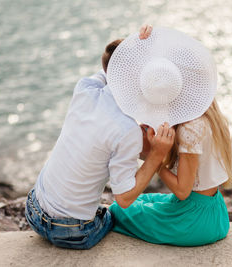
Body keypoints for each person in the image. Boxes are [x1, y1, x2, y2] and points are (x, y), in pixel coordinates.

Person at [25, 25, 176, 250]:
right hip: (73, 232)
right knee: (115, 213)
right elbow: (124, 199)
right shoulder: (127, 131)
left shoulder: (85, 89)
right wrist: (156, 155)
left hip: (33, 209)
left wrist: (137, 45)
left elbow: (113, 66)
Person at [107, 26, 232, 246]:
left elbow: (183, 191)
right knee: (145, 199)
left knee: (118, 210)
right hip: (214, 211)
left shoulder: (189, 130)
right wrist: (140, 45)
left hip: (193, 222)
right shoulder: (206, 110)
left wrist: (157, 159)